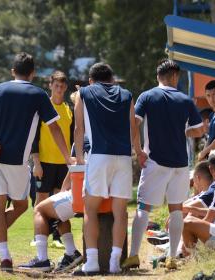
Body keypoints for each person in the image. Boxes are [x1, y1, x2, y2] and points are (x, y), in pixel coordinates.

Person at [0, 52, 72, 271]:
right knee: (21, 205)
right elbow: (53, 127)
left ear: (12, 71)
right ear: (33, 73)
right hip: (16, 160)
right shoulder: (38, 94)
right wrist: (67, 158)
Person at [123, 59, 204, 270]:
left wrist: (138, 150)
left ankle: (133, 256)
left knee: (143, 207)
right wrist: (183, 131)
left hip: (155, 160)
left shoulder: (148, 96)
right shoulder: (185, 100)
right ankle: (172, 258)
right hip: (180, 163)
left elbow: (134, 123)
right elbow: (199, 131)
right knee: (176, 210)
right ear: (175, 76)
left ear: (158, 76)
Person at [72, 63, 138, 275]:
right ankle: (114, 262)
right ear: (112, 79)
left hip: (98, 156)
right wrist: (136, 151)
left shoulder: (83, 93)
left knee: (89, 208)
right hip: (124, 157)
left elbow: (78, 128)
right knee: (120, 212)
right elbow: (133, 127)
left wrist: (80, 158)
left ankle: (91, 262)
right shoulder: (127, 94)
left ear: (91, 80)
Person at [18, 140, 91, 273]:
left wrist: (63, 192)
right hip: (105, 195)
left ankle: (42, 260)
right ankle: (71, 254)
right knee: (56, 212)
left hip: (84, 194)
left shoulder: (82, 140)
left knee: (39, 209)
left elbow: (74, 169)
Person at [33, 70, 73, 248]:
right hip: (44, 162)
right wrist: (36, 162)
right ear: (50, 85)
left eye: (62, 86)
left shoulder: (68, 109)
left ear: (65, 88)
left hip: (63, 164)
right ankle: (38, 236)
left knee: (58, 202)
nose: (59, 88)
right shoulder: (42, 108)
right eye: (56, 85)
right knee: (41, 200)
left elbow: (71, 139)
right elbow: (34, 137)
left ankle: (57, 236)